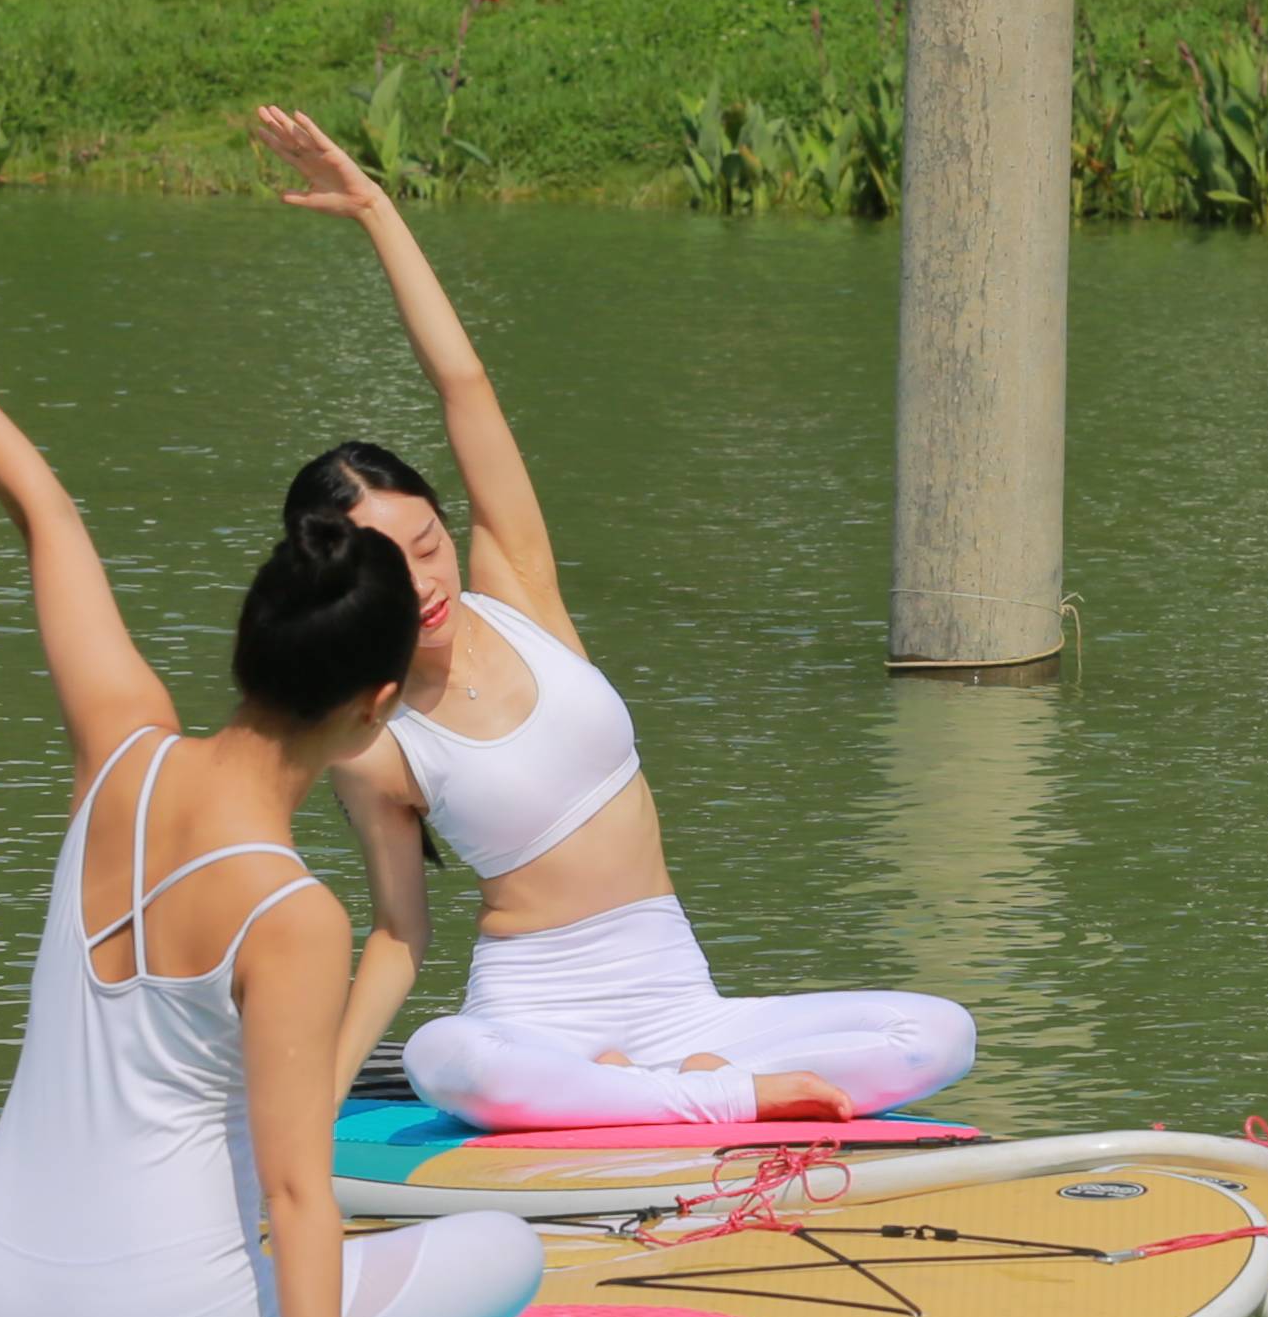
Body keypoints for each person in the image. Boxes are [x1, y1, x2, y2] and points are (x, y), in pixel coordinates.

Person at [0, 228, 537, 1317]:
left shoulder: (120, 752)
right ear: (378, 703)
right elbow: (294, 1190)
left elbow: (43, 512)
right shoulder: (295, 915)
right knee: (496, 1249)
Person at [244, 103, 980, 1135]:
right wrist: (315, 1093)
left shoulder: (518, 588)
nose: (427, 581)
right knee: (447, 1060)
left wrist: (373, 208)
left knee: (941, 1030)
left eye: (428, 545)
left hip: (680, 1001)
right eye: (392, 567)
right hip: (538, 1016)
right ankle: (720, 1098)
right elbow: (400, 935)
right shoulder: (373, 740)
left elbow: (464, 384)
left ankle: (668, 1090)